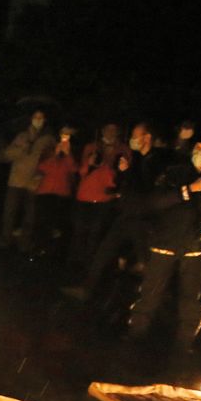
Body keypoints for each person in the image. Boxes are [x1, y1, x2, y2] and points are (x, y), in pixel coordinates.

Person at [126, 137, 201, 351]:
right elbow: (152, 202)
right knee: (149, 295)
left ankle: (183, 346)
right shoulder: (173, 171)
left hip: (198, 248)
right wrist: (189, 189)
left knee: (190, 300)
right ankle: (136, 338)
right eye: (199, 146)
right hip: (165, 241)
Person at [66, 122, 175, 303]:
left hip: (142, 218)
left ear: (147, 137)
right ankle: (87, 288)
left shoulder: (157, 161)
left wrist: (129, 174)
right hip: (127, 214)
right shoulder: (138, 157)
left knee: (146, 259)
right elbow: (129, 183)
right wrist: (124, 177)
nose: (133, 139)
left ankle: (157, 298)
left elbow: (149, 188)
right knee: (104, 250)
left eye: (136, 135)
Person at [0, 109, 53, 249]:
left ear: (45, 120)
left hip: (35, 182)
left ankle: (25, 242)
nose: (38, 120)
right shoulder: (22, 136)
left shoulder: (48, 139)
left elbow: (51, 161)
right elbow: (7, 155)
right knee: (9, 213)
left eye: (41, 117)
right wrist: (21, 148)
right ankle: (5, 240)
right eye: (35, 117)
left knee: (30, 216)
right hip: (16, 180)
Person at [71, 123, 125, 268]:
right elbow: (82, 171)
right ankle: (78, 259)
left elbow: (123, 173)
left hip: (104, 197)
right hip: (85, 195)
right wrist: (89, 163)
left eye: (114, 130)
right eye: (108, 129)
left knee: (97, 230)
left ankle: (92, 260)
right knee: (80, 229)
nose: (110, 132)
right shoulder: (91, 147)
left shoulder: (123, 149)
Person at [31, 124, 79, 254]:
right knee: (41, 222)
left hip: (62, 193)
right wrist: (54, 155)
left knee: (56, 223)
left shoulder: (74, 150)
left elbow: (74, 170)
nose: (65, 136)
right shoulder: (49, 148)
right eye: (63, 133)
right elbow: (41, 167)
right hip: (45, 191)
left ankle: (54, 251)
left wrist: (68, 154)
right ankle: (38, 248)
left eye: (68, 133)